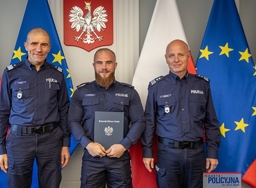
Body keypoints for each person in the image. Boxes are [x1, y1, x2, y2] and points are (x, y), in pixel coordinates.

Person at [0, 28, 70, 188]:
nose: (39, 49)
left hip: (51, 140)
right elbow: (2, 111)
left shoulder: (57, 74)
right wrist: (1, 148)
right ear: (26, 45)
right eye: (34, 43)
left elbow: (64, 110)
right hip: (19, 140)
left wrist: (65, 144)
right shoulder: (11, 73)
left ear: (49, 48)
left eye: (44, 45)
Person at [141, 39, 221, 188]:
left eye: (180, 55)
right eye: (171, 55)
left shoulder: (202, 85)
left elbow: (211, 122)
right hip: (168, 154)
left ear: (188, 55)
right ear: (166, 58)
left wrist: (212, 151)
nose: (176, 59)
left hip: (197, 154)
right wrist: (147, 151)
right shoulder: (156, 87)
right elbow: (149, 121)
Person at [68, 48, 145, 188]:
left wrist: (124, 145)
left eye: (108, 63)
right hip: (92, 158)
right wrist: (88, 144)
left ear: (115, 65)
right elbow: (72, 121)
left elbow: (140, 121)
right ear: (93, 65)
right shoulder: (81, 93)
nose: (104, 67)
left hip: (119, 157)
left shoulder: (129, 93)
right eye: (99, 63)